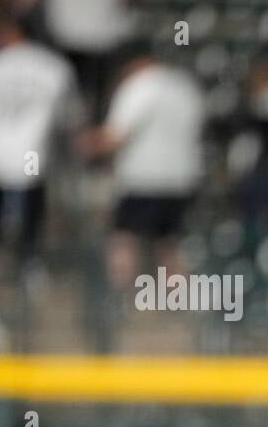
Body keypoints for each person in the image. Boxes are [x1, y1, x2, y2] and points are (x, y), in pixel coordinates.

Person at [79, 44, 204, 295]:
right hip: (182, 178)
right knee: (170, 244)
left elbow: (115, 136)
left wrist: (81, 143)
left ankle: (120, 301)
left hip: (144, 179)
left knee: (124, 240)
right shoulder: (185, 86)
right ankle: (179, 307)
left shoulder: (139, 86)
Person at [0, 3, 79, 263]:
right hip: (34, 151)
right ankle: (29, 261)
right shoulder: (53, 67)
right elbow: (68, 116)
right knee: (32, 209)